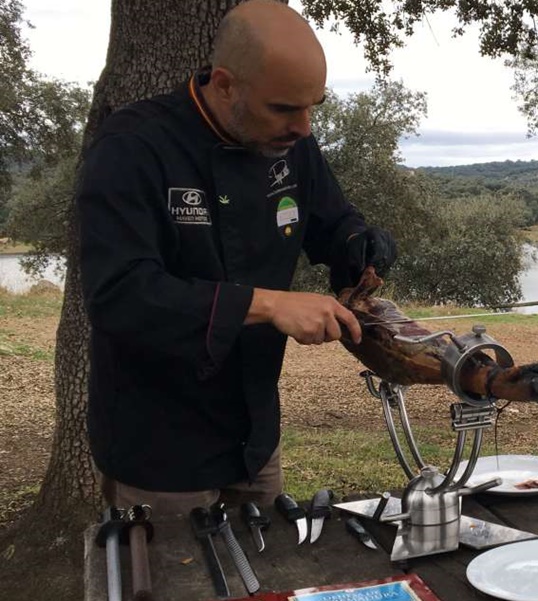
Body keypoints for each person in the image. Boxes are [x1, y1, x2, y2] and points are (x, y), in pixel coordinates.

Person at [77, 0, 396, 516]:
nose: (305, 127)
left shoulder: (291, 146)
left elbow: (332, 223)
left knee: (268, 580)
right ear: (224, 84)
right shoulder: (134, 147)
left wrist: (360, 244)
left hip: (253, 433)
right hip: (157, 443)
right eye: (285, 108)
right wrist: (269, 305)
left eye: (312, 105)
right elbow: (121, 295)